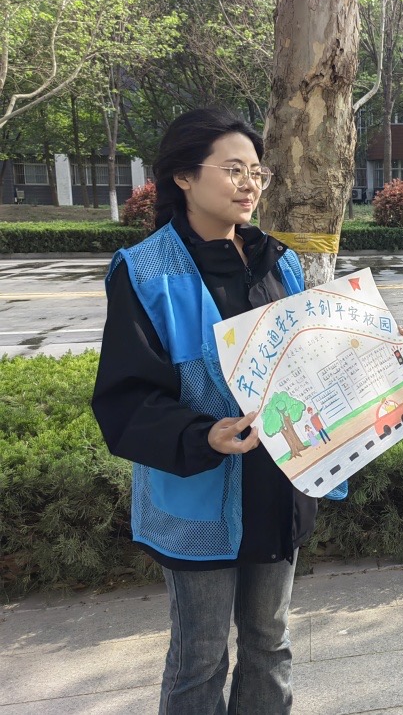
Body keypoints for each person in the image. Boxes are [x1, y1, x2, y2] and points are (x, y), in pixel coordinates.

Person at [92, 108, 314, 714]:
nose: (250, 184)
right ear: (184, 177)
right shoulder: (145, 272)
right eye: (234, 170)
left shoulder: (280, 262)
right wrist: (202, 434)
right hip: (198, 495)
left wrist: (370, 350)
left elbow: (306, 360)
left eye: (257, 172)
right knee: (201, 656)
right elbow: (126, 399)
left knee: (270, 643)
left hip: (276, 484)